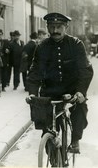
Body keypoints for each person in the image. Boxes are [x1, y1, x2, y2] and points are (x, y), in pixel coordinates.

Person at [27, 12, 94, 153]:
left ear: (66, 27)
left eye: (59, 27)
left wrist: (80, 91)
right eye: (52, 27)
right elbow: (35, 72)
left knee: (80, 109)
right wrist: (32, 93)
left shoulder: (76, 45)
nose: (55, 31)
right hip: (49, 91)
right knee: (44, 119)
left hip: (71, 90)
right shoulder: (42, 47)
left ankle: (75, 141)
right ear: (48, 27)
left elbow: (85, 70)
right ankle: (50, 144)